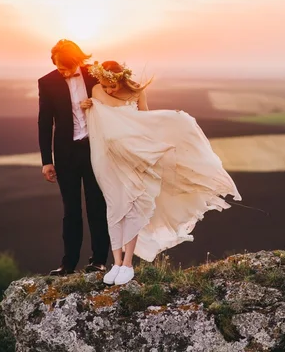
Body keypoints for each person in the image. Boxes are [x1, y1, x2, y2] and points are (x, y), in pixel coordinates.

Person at [80, 61, 241, 285]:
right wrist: (93, 103)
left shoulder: (137, 91)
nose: (107, 90)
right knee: (114, 206)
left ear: (121, 79)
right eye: (105, 86)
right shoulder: (97, 90)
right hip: (109, 156)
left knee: (134, 204)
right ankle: (116, 263)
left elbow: (144, 119)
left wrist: (170, 119)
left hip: (135, 156)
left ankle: (127, 264)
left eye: (112, 86)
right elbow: (112, 111)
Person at [37, 40, 110, 276]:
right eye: (59, 69)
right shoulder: (46, 82)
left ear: (77, 61)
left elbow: (116, 102)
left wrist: (96, 104)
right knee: (71, 210)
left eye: (67, 69)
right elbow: (44, 122)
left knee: (97, 206)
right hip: (65, 154)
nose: (64, 73)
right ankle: (68, 264)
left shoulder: (95, 75)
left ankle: (99, 261)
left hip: (95, 150)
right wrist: (46, 160)